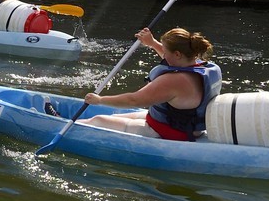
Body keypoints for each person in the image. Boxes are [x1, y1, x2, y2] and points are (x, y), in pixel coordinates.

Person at [78, 28, 220, 139]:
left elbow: (134, 100)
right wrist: (152, 43)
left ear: (177, 54)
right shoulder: (204, 67)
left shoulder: (174, 81)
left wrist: (100, 100)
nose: (163, 54)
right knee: (113, 117)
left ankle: (60, 128)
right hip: (191, 128)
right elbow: (172, 58)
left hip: (168, 132)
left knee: (98, 120)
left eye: (165, 51)